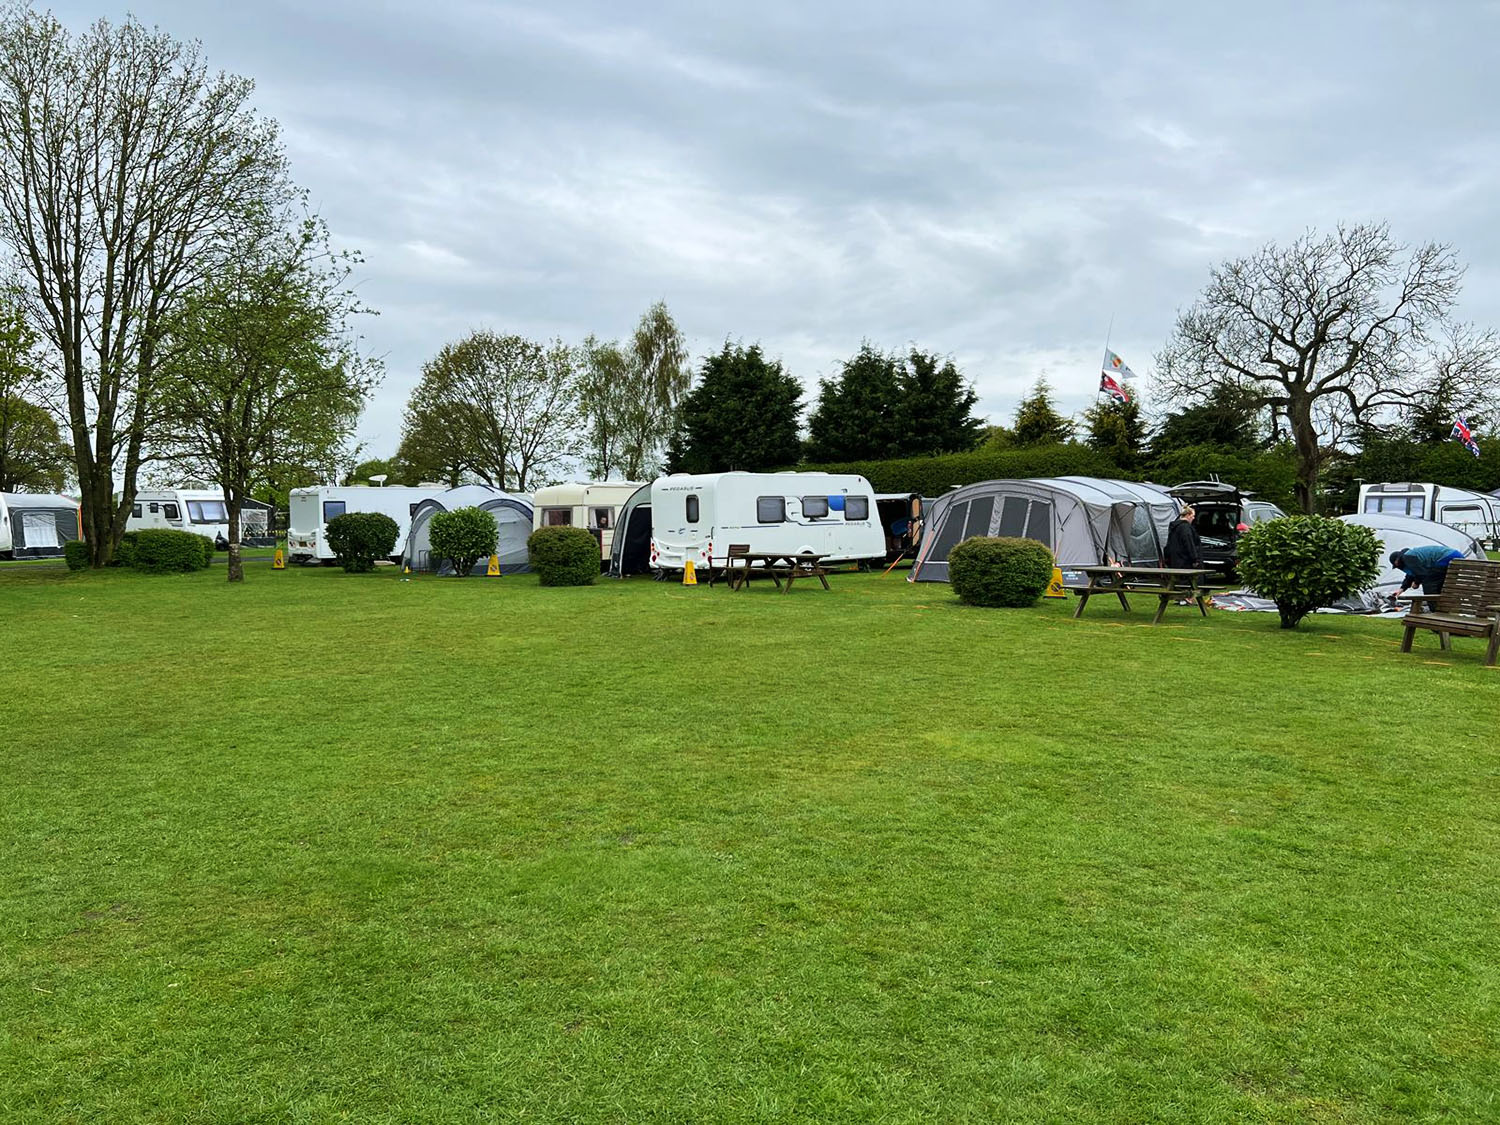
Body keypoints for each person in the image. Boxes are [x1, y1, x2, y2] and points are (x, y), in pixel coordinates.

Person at [1389, 545, 1464, 601]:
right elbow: (1411, 575)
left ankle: (1434, 609)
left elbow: (1421, 574)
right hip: (1454, 555)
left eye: (1396, 565)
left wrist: (1416, 583)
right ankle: (1444, 606)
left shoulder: (1407, 557)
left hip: (1447, 557)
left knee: (1429, 583)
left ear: (1397, 561)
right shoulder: (1410, 555)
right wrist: (1401, 590)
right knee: (1440, 584)